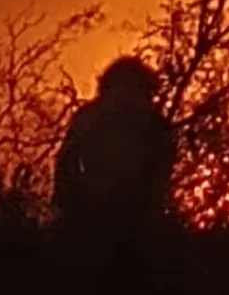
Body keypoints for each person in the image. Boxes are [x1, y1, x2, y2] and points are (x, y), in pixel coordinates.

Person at [53, 55, 175, 245]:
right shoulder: (90, 117)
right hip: (93, 216)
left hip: (134, 222)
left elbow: (161, 174)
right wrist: (73, 206)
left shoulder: (155, 126)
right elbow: (66, 163)